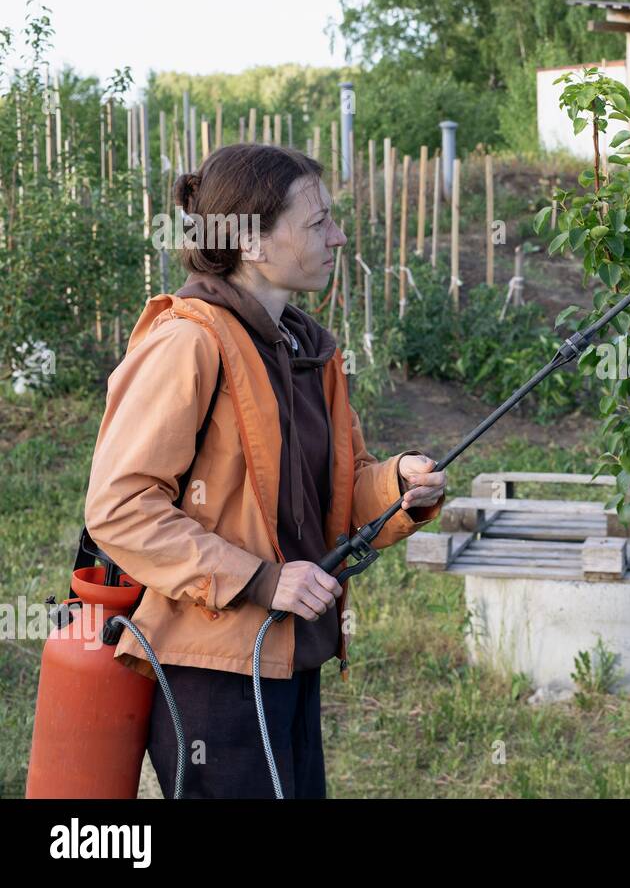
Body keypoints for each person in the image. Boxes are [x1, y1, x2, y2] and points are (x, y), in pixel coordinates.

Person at [84, 143, 446, 798]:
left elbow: (338, 494)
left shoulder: (308, 350)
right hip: (213, 674)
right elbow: (119, 508)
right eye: (317, 223)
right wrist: (257, 580)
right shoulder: (187, 343)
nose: (337, 235)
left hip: (289, 658)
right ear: (251, 241)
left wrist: (400, 486)